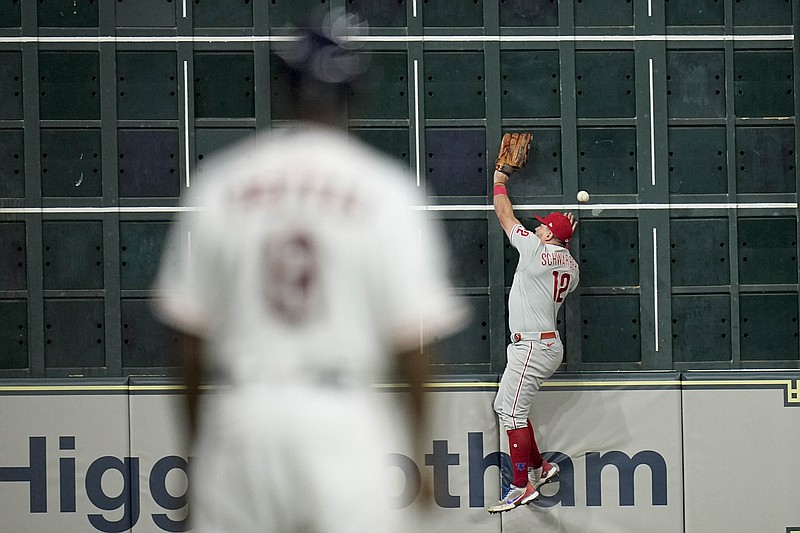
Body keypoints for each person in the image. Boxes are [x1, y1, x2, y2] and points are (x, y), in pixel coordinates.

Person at [153, 15, 465, 533]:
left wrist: (194, 458)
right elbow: (416, 345)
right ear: (355, 95)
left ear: (283, 90)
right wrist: (421, 454)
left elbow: (186, 340)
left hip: (241, 418)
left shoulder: (221, 182)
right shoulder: (387, 192)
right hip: (341, 416)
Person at [487, 165, 579, 514]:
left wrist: (499, 181)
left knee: (508, 411)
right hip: (546, 344)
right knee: (514, 409)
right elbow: (559, 252)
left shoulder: (533, 251)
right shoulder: (571, 266)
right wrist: (561, 233)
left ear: (549, 234)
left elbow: (504, 213)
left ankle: (520, 485)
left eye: (543, 225)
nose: (537, 225)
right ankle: (540, 467)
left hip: (532, 346)